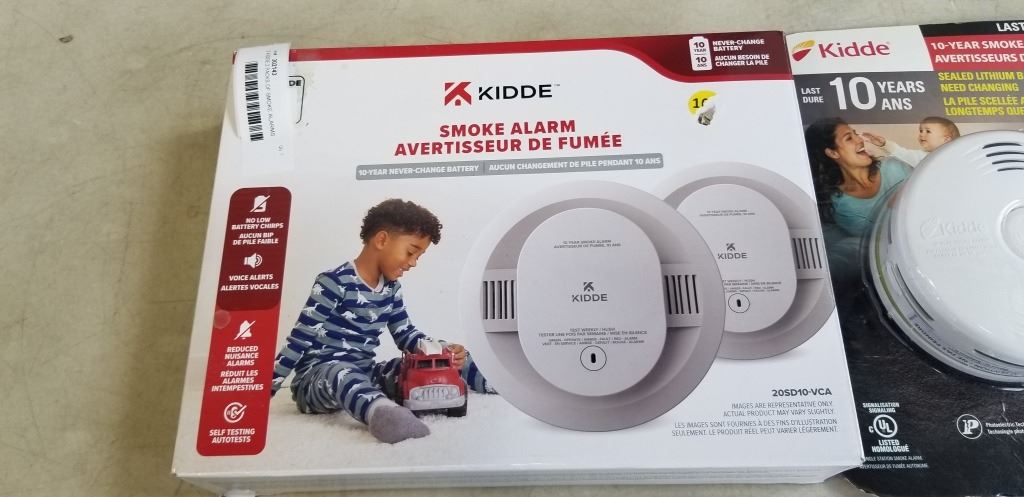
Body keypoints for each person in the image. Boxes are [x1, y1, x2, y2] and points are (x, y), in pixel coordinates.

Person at [270, 198, 493, 444]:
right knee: (340, 372)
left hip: (365, 374)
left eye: (419, 256)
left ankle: (494, 382)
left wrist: (441, 350)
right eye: (411, 252)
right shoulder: (333, 282)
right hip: (318, 380)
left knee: (424, 363)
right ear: (382, 240)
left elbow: (405, 334)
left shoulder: (391, 289)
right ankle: (382, 412)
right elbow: (298, 341)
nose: (413, 263)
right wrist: (261, 394)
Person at [805, 118, 913, 285]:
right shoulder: (835, 204)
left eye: (855, 133)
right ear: (833, 153)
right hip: (886, 273)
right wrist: (891, 208)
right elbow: (868, 247)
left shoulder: (895, 168)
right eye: (849, 138)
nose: (859, 139)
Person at [861, 116, 960, 167]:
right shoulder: (921, 157)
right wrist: (884, 144)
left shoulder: (959, 158)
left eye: (928, 131)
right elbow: (902, 153)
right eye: (920, 131)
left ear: (946, 139)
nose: (921, 134)